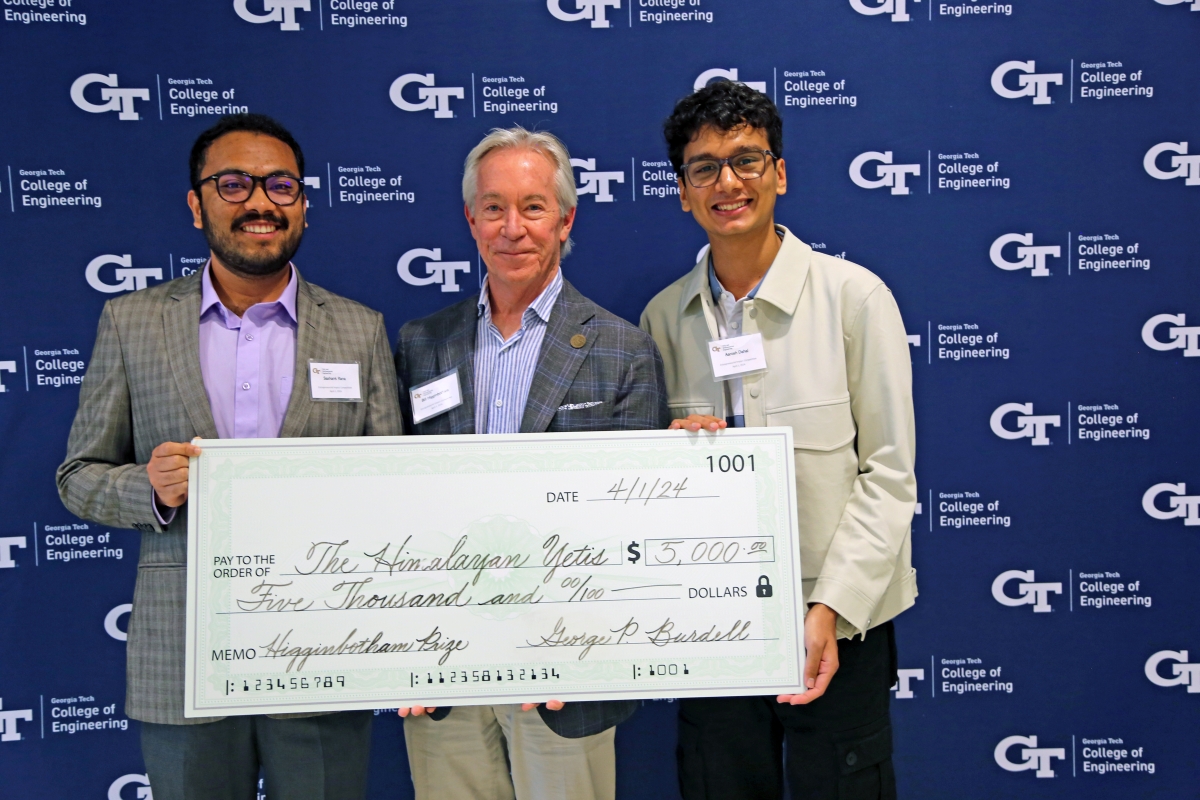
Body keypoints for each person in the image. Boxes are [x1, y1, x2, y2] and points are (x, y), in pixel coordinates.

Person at [56, 113, 402, 800]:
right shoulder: (133, 322)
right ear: (197, 205)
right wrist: (150, 488)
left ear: (302, 204)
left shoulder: (360, 330)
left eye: (280, 185)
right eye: (234, 184)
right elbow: (78, 478)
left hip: (323, 653)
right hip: (183, 660)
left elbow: (392, 491)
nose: (260, 203)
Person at [639, 81, 917, 800]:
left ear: (780, 174)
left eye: (747, 161)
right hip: (714, 626)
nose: (727, 182)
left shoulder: (857, 299)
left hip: (841, 626)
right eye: (704, 168)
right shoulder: (662, 321)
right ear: (682, 192)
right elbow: (642, 490)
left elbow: (888, 475)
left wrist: (829, 609)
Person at [393, 125, 670, 800]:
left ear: (566, 218)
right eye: (493, 207)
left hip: (564, 670)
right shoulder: (422, 344)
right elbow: (396, 506)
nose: (511, 227)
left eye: (532, 207)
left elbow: (634, 523)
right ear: (471, 218)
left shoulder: (621, 350)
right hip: (443, 661)